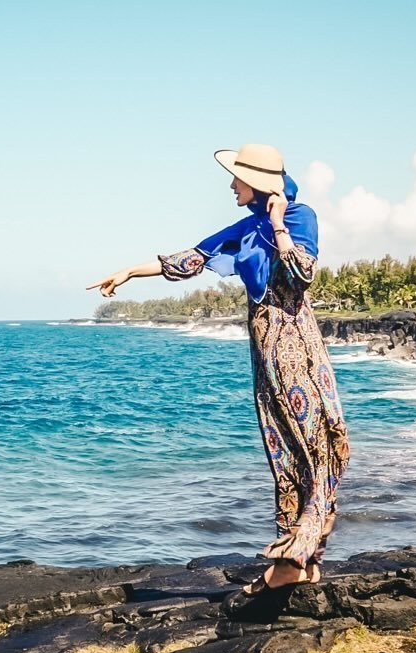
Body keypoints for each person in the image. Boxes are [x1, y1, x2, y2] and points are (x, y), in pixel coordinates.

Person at [86, 144, 350, 593]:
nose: (231, 185)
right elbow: (192, 257)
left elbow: (303, 274)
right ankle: (302, 559)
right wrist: (130, 271)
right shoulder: (245, 228)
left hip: (296, 347)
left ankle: (296, 558)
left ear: (259, 183)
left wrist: (278, 224)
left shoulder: (299, 217)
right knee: (283, 449)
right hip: (265, 350)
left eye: (237, 178)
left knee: (316, 442)